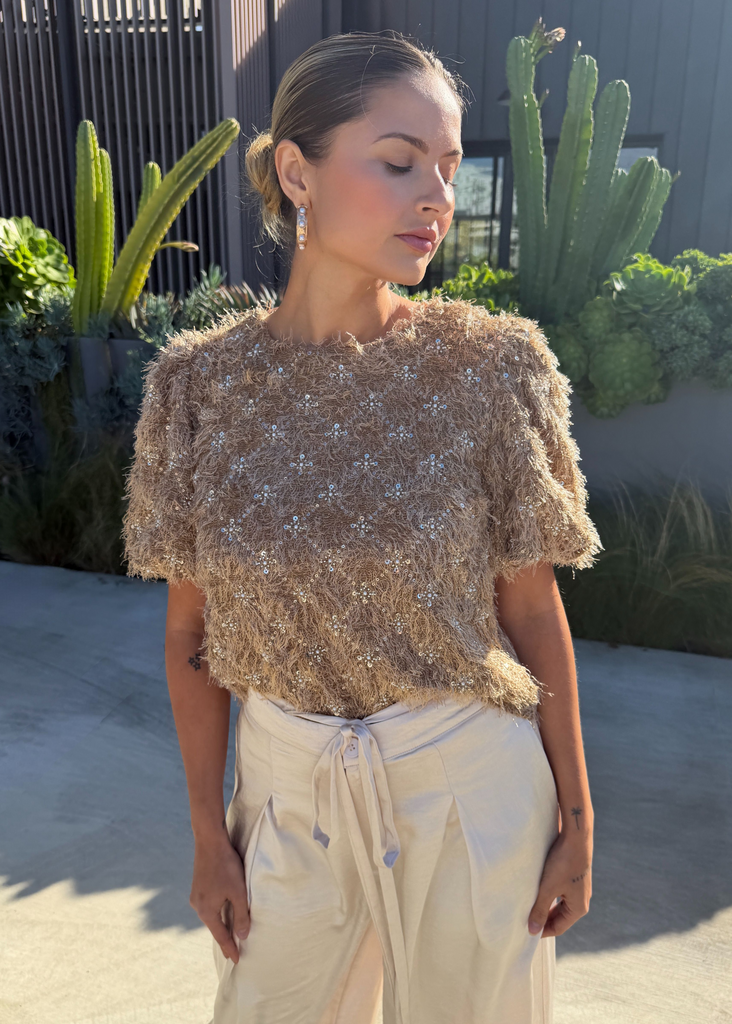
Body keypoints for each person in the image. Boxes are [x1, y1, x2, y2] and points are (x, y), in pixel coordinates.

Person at [122, 29, 603, 1024]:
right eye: (398, 162)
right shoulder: (196, 387)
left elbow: (530, 605)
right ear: (296, 171)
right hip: (289, 795)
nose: (437, 195)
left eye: (449, 165)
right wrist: (211, 837)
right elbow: (188, 638)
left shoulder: (490, 368)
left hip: (472, 788)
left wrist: (578, 818)